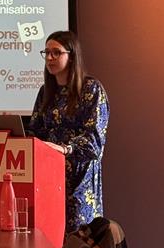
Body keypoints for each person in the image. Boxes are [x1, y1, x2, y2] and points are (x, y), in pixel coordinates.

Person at [27, 30, 109, 234]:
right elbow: (36, 131)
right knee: (48, 239)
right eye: (46, 52)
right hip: (49, 176)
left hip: (79, 180)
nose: (49, 58)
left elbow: (95, 140)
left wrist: (65, 149)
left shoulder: (91, 89)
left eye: (56, 52)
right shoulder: (46, 92)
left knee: (78, 243)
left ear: (71, 56)